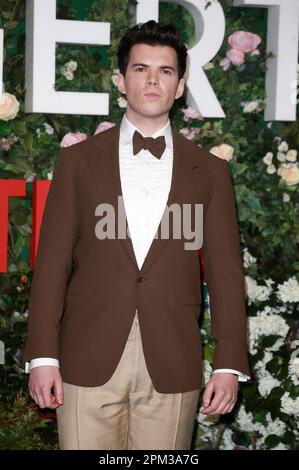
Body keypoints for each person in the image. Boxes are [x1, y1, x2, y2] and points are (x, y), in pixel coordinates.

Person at [22, 20, 250, 450]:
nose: (152, 80)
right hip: (85, 355)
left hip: (173, 358)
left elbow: (225, 275)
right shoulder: (77, 162)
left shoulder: (212, 173)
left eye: (165, 71)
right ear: (121, 80)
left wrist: (228, 362)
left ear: (180, 86)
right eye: (141, 69)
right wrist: (43, 355)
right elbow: (51, 265)